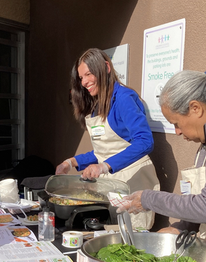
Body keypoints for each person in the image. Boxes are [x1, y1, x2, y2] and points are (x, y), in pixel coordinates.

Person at [56, 48, 159, 229]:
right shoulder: (98, 104)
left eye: (88, 74)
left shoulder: (124, 98)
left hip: (134, 181)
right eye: (81, 77)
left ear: (106, 68)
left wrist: (104, 166)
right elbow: (104, 150)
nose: (85, 82)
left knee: (133, 240)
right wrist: (70, 163)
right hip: (113, 185)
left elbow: (145, 141)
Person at [116, 68, 206, 240]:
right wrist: (181, 227)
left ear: (195, 108)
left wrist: (150, 199)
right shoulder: (205, 144)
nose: (176, 132)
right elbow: (199, 206)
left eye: (176, 123)